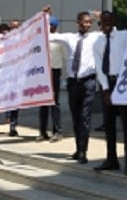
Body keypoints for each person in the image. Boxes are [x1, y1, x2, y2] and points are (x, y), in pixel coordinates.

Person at [93, 10, 127, 176]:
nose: (106, 25)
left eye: (109, 21)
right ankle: (111, 159)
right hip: (108, 84)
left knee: (126, 124)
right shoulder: (98, 42)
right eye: (103, 23)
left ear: (114, 21)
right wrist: (104, 89)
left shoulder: (123, 36)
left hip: (123, 82)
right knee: (109, 124)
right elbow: (99, 67)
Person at [56, 11, 100, 164]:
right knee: (75, 117)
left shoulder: (95, 37)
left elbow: (112, 32)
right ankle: (78, 148)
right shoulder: (70, 38)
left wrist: (100, 17)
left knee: (85, 117)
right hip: (73, 83)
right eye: (84, 22)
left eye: (89, 22)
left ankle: (83, 151)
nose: (87, 24)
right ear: (78, 22)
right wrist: (45, 18)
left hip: (88, 82)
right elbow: (50, 36)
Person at [39, 14, 66, 143]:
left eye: (50, 25)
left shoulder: (59, 39)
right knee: (43, 102)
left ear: (54, 26)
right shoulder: (41, 38)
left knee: (54, 102)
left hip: (55, 71)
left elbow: (65, 56)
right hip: (43, 72)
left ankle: (57, 131)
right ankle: (42, 131)